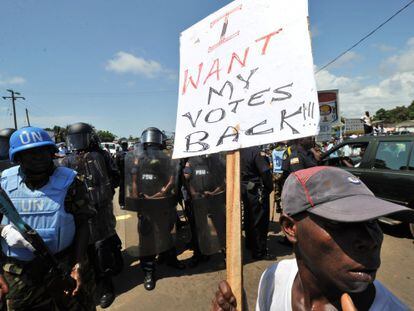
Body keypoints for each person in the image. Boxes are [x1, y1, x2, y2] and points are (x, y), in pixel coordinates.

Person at [212, 166, 413, 311]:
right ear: (290, 228)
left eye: (371, 221)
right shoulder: (274, 279)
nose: (370, 241)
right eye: (340, 223)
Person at [0, 126, 96, 310]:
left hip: (63, 265)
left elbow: (83, 223)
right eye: (29, 153)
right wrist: (4, 230)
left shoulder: (71, 182)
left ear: (52, 152)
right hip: (18, 273)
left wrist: (78, 264)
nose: (38, 157)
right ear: (17, 158)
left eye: (44, 150)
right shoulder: (4, 183)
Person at [62, 122, 122, 309]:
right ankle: (95, 279)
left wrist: (104, 192)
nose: (78, 143)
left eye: (81, 139)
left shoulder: (101, 155)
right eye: (74, 139)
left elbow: (115, 175)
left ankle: (106, 286)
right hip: (80, 214)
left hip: (101, 211)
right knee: (86, 250)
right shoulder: (66, 161)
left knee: (101, 248)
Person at [124, 127, 184, 291]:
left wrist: (163, 192)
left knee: (167, 231)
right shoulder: (138, 160)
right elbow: (134, 182)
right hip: (146, 205)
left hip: (163, 203)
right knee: (147, 238)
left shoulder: (166, 158)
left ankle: (169, 257)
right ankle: (148, 271)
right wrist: (139, 201)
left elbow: (172, 179)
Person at [182, 153, 226, 266]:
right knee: (199, 227)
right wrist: (193, 193)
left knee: (220, 226)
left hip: (215, 199)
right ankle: (200, 253)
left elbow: (225, 179)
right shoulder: (192, 160)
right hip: (198, 200)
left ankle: (226, 252)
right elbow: (186, 177)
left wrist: (213, 192)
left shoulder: (217, 160)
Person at [240, 146, 274, 260]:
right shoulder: (256, 152)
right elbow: (265, 172)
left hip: (245, 189)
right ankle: (259, 251)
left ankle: (250, 244)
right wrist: (269, 187)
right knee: (259, 222)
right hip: (256, 190)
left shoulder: (240, 151)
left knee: (249, 219)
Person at [271, 142, 287, 214]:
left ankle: (277, 205)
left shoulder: (274, 151)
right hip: (283, 172)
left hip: (276, 172)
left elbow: (273, 162)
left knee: (277, 190)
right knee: (284, 189)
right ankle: (284, 206)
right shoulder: (286, 150)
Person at [115, 138, 129, 209]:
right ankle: (121, 203)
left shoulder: (130, 153)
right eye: (123, 145)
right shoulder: (119, 154)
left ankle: (129, 202)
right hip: (122, 174)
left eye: (125, 144)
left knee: (130, 189)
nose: (124, 146)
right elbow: (116, 165)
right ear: (121, 145)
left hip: (129, 174)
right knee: (122, 189)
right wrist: (118, 174)